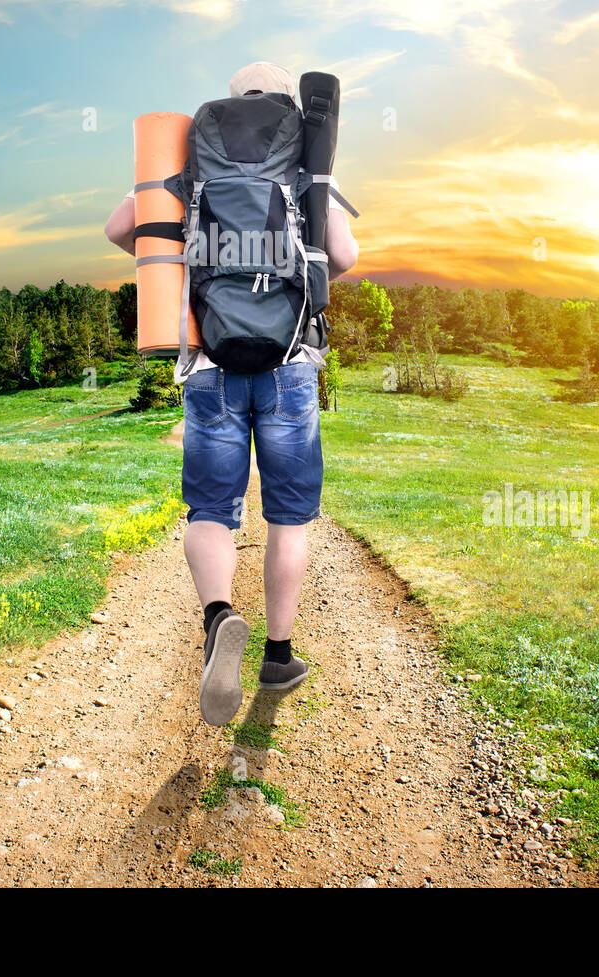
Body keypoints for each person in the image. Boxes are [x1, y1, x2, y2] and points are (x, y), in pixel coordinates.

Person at [104, 61, 359, 724]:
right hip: (291, 363)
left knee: (211, 510)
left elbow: (116, 230)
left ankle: (219, 615)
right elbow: (346, 255)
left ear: (227, 101)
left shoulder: (192, 152)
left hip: (211, 362)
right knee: (287, 517)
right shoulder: (308, 160)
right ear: (283, 103)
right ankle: (278, 653)